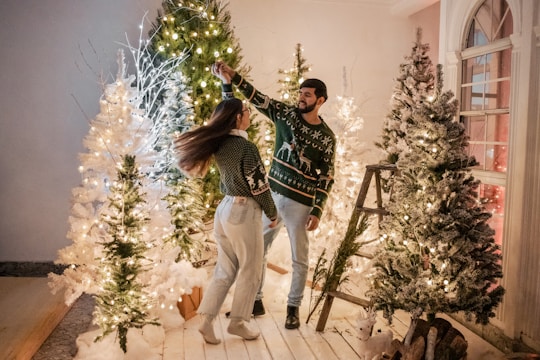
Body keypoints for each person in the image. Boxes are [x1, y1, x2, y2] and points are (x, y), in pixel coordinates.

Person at [212, 61, 336, 330]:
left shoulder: (327, 138)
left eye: (307, 94)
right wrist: (233, 78)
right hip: (271, 195)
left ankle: (293, 308)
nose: (301, 98)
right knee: (259, 250)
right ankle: (255, 301)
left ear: (320, 100)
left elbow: (327, 174)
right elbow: (257, 98)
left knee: (299, 257)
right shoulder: (285, 114)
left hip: (301, 204)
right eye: (300, 93)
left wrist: (318, 209)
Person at [174, 98, 278, 344]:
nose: (249, 114)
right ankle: (239, 322)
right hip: (243, 211)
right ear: (237, 118)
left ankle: (207, 321)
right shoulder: (246, 148)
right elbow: (259, 185)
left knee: (225, 269)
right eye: (246, 111)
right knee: (251, 269)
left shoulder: (221, 143)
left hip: (225, 210)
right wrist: (272, 212)